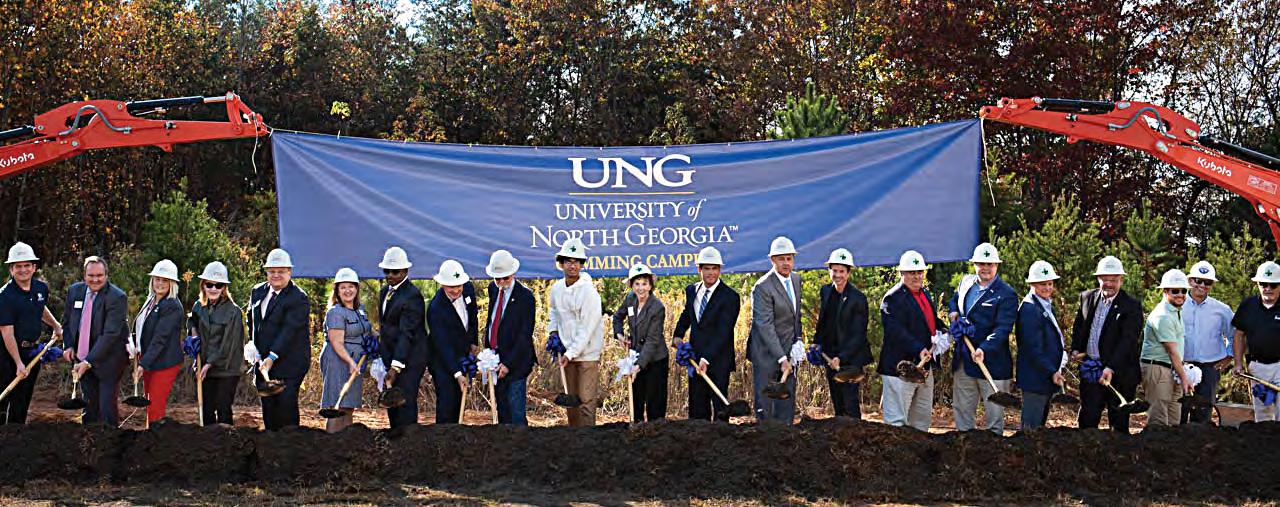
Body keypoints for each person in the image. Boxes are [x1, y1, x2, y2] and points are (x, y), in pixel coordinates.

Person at [946, 243, 1017, 434]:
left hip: (992, 363)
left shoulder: (1006, 294)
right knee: (963, 412)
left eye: (990, 264)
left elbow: (1003, 328)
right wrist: (953, 311)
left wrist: (984, 348)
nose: (985, 268)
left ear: (997, 265)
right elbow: (955, 300)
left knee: (994, 417)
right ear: (974, 264)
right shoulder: (966, 282)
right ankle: (964, 446)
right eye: (981, 264)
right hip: (964, 360)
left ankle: (994, 450)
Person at [1071, 255, 1143, 433]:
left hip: (1120, 374)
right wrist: (1076, 349)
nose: (1109, 284)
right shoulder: (1087, 298)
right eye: (1105, 280)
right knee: (1088, 419)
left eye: (1114, 280)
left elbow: (1128, 341)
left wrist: (1111, 367)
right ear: (1098, 278)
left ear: (1121, 280)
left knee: (1118, 425)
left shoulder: (1131, 306)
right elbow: (1079, 326)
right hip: (1091, 370)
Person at [673, 246, 741, 421]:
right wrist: (678, 335)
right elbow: (687, 315)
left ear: (720, 269)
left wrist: (706, 359)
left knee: (720, 412)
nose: (711, 273)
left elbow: (723, 332)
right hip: (695, 360)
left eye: (714, 268)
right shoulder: (691, 290)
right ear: (699, 269)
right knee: (697, 411)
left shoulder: (730, 297)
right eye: (706, 268)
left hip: (718, 361)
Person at [0, 242, 64, 424]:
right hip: (7, 354)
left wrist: (56, 326)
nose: (23, 270)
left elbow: (39, 307)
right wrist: (18, 363)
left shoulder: (40, 288)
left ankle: (16, 434)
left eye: (27, 265)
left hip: (32, 352)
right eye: (18, 266)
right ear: (11, 269)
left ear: (34, 267)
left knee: (22, 399)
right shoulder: (5, 296)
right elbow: (6, 332)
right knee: (4, 398)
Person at [248, 248, 311, 431]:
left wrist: (272, 357)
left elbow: (289, 331)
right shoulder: (257, 291)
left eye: (281, 271)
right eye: (272, 271)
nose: (276, 275)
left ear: (289, 272)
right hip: (263, 362)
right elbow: (251, 318)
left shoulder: (298, 298)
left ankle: (290, 445)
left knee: (285, 407)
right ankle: (271, 444)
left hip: (290, 364)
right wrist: (253, 345)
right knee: (269, 409)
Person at [878, 250, 939, 431]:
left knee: (921, 423)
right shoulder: (892, 298)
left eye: (919, 272)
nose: (916, 276)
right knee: (897, 424)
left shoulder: (924, 294)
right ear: (902, 273)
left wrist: (944, 330)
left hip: (923, 368)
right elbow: (895, 331)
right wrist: (918, 348)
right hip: (900, 370)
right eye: (911, 272)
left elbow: (930, 321)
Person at [65, 256, 129, 426]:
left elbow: (110, 334)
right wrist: (69, 345)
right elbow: (68, 322)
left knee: (106, 406)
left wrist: (88, 361)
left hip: (109, 360)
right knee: (89, 404)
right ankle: (89, 438)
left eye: (99, 275)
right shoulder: (74, 291)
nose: (95, 280)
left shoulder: (117, 297)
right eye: (91, 275)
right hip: (82, 357)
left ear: (106, 275)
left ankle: (112, 438)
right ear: (84, 275)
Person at [547, 237, 604, 426]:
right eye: (568, 261)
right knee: (571, 401)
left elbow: (587, 328)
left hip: (587, 354)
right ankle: (573, 438)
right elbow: (554, 312)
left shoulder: (589, 292)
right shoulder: (556, 289)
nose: (572, 266)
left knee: (586, 401)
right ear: (561, 264)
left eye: (576, 262)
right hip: (567, 352)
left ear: (581, 265)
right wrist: (553, 332)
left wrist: (571, 353)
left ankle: (589, 439)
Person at [748, 236, 804, 424]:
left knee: (786, 403)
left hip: (788, 352)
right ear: (772, 260)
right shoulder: (762, 287)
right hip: (766, 355)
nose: (786, 263)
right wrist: (781, 358)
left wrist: (798, 340)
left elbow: (796, 315)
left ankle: (786, 435)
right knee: (766, 406)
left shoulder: (796, 280)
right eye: (781, 259)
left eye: (789, 258)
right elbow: (765, 326)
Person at [813, 248, 872, 419]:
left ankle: (856, 435)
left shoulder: (858, 299)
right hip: (830, 357)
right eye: (834, 270)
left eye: (842, 271)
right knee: (838, 403)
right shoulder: (825, 291)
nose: (838, 275)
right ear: (829, 270)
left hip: (851, 360)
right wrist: (817, 342)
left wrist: (842, 357)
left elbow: (859, 334)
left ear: (848, 273)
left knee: (850, 405)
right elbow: (823, 321)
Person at [376, 246, 428, 429]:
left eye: (395, 271)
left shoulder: (413, 296)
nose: (390, 275)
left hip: (410, 359)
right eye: (386, 271)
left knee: (404, 402)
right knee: (392, 403)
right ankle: (396, 438)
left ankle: (409, 441)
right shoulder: (384, 292)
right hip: (392, 356)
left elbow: (407, 334)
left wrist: (395, 367)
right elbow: (386, 327)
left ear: (405, 271)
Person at [483, 250, 536, 425]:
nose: (500, 282)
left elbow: (524, 336)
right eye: (497, 278)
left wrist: (508, 363)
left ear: (513, 274)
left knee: (516, 412)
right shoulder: (493, 289)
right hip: (496, 359)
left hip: (517, 361)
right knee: (502, 410)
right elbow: (492, 321)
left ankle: (522, 441)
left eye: (504, 278)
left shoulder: (526, 297)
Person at [188, 261, 244, 426]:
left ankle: (227, 440)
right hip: (205, 366)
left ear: (224, 288)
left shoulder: (233, 311)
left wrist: (209, 364)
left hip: (227, 368)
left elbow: (228, 344)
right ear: (203, 285)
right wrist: (193, 335)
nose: (213, 289)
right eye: (209, 284)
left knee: (223, 407)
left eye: (218, 285)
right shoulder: (199, 306)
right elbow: (192, 322)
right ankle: (208, 440)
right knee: (206, 408)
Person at [612, 263, 669, 422]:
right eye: (637, 284)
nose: (640, 288)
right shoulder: (630, 299)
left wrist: (638, 366)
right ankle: (637, 431)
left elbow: (652, 341)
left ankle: (656, 433)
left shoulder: (657, 307)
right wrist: (619, 335)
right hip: (636, 355)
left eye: (644, 284)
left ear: (650, 286)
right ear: (632, 286)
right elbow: (617, 317)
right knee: (636, 401)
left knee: (655, 405)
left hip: (655, 360)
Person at [1180, 261, 1234, 424]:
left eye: (1207, 282)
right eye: (1198, 280)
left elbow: (1235, 335)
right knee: (1178, 414)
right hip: (1181, 368)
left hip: (1210, 369)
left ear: (1212, 285)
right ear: (1190, 281)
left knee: (1203, 417)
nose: (1202, 285)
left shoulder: (1222, 310)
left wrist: (1229, 357)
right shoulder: (1177, 305)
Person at [1016, 260, 1067, 430]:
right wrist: (1051, 370)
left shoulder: (1044, 304)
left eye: (1050, 283)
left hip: (1044, 378)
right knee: (1030, 430)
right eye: (1042, 284)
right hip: (1035, 379)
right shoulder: (1030, 309)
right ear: (1032, 284)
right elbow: (1033, 348)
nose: (1047, 288)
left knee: (1039, 429)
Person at [1140, 269, 1195, 427]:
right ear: (1165, 291)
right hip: (1158, 368)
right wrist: (1184, 378)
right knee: (1159, 419)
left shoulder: (1175, 311)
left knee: (1173, 420)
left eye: (1183, 291)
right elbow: (1171, 351)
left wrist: (1182, 373)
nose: (1180, 294)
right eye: (1175, 291)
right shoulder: (1162, 316)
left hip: (1172, 368)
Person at [320, 267, 372, 433]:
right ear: (337, 290)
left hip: (356, 361)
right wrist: (350, 362)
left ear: (357, 288)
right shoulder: (335, 312)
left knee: (348, 406)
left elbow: (365, 331)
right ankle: (331, 444)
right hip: (338, 361)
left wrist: (374, 340)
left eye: (351, 286)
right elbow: (336, 343)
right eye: (343, 287)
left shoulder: (359, 310)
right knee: (337, 407)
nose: (347, 290)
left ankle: (345, 444)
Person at [427, 259, 478, 424]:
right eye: (451, 287)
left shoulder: (468, 289)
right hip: (442, 361)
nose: (456, 290)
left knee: (458, 402)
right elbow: (443, 345)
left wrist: (473, 343)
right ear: (442, 284)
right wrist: (457, 373)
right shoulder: (435, 308)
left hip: (462, 354)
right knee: (447, 404)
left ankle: (456, 434)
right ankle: (443, 437)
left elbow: (473, 317)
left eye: (459, 286)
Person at [134, 259, 185, 423]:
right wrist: (135, 347)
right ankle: (151, 433)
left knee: (155, 405)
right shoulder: (152, 299)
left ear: (172, 283)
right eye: (157, 279)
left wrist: (143, 363)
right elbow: (142, 328)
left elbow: (160, 339)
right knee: (149, 402)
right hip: (150, 359)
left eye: (165, 280)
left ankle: (156, 437)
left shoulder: (172, 306)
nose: (160, 283)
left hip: (164, 362)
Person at [1231, 261, 1280, 422]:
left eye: (1273, 285)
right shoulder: (1248, 306)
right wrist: (1238, 363)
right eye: (1263, 284)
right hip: (1258, 369)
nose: (1268, 289)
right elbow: (1239, 335)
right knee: (1263, 413)